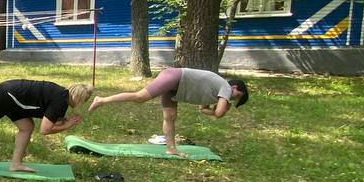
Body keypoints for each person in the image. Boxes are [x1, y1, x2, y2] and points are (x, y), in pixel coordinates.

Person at [88, 67, 249, 155]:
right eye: (236, 96)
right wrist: (223, 108)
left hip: (175, 88)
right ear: (234, 87)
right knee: (140, 97)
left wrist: (214, 110)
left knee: (170, 117)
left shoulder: (217, 93)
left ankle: (171, 148)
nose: (233, 99)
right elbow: (219, 114)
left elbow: (203, 110)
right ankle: (101, 100)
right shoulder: (226, 88)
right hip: (174, 77)